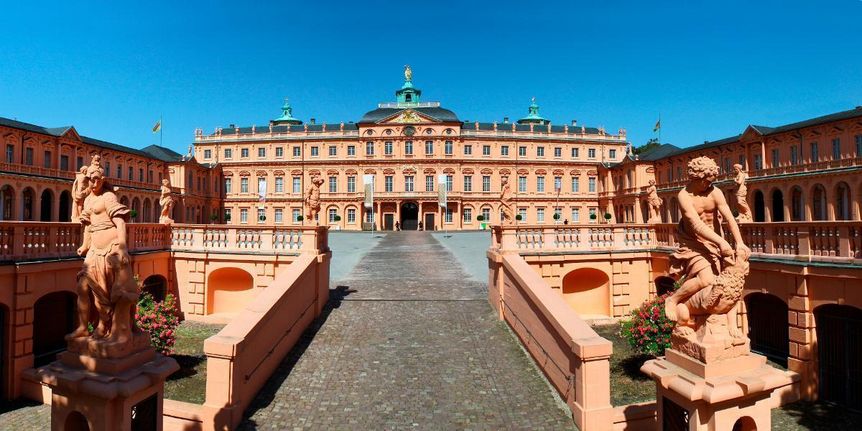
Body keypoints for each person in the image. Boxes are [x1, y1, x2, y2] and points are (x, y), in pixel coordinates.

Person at [664, 157, 750, 332]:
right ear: (696, 178)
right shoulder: (684, 196)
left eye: (711, 181)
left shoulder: (715, 192)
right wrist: (722, 242)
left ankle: (709, 320)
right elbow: (696, 225)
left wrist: (740, 242)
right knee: (706, 279)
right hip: (694, 243)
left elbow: (729, 218)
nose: (709, 184)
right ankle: (673, 300)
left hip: (716, 243)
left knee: (721, 284)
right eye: (706, 181)